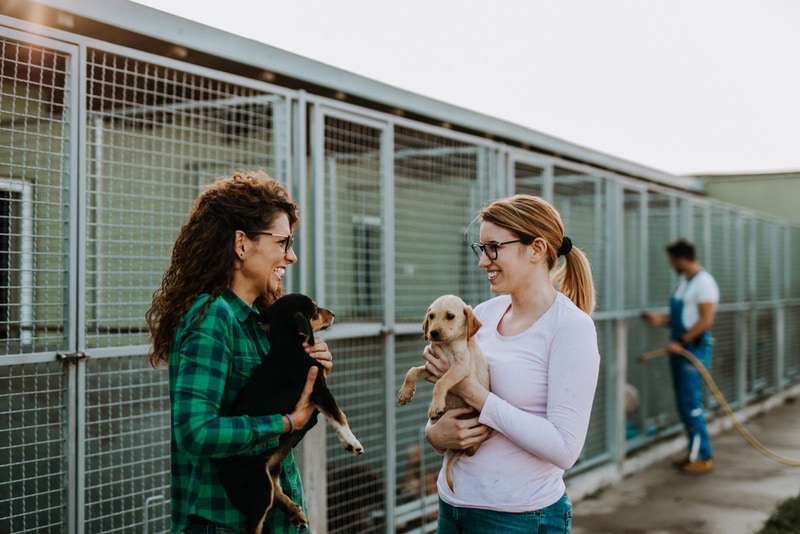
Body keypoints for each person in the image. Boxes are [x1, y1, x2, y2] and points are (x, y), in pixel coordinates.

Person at [146, 171, 333, 533]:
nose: (291, 256)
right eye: (283, 242)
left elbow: (281, 435)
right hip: (221, 523)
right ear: (241, 244)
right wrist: (285, 422)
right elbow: (195, 432)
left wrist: (309, 385)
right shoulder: (212, 317)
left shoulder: (260, 323)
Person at [423, 194, 600, 534]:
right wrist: (435, 434)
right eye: (481, 248)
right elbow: (446, 406)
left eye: (494, 248)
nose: (482, 261)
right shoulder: (484, 315)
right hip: (453, 506)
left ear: (536, 249)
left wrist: (474, 394)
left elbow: (564, 449)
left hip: (518, 517)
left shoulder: (571, 328)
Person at [642, 238, 719, 474]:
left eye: (672, 260)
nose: (671, 265)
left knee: (691, 405)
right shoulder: (685, 282)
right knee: (684, 405)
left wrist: (681, 342)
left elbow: (705, 321)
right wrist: (662, 320)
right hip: (681, 348)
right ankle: (693, 452)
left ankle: (704, 456)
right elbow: (683, 317)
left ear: (682, 259)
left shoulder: (704, 283)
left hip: (692, 349)